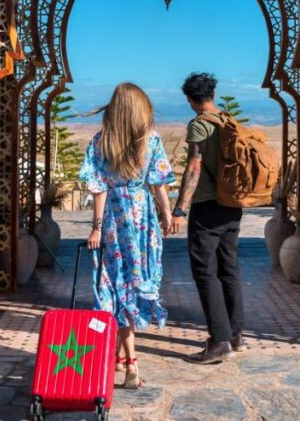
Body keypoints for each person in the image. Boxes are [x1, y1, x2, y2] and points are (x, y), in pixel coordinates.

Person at [79, 82, 175, 389]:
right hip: (142, 221)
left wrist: (96, 228)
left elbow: (99, 189)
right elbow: (159, 183)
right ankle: (130, 361)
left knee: (116, 285)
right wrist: (167, 214)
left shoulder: (99, 143)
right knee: (132, 285)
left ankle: (122, 358)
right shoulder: (152, 140)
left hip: (114, 223)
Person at [170, 72, 245, 364]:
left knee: (205, 272)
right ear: (212, 94)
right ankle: (236, 336)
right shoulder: (229, 121)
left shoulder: (199, 125)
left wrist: (179, 209)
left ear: (190, 99)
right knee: (230, 268)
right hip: (232, 205)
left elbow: (194, 168)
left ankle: (219, 341)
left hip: (207, 207)